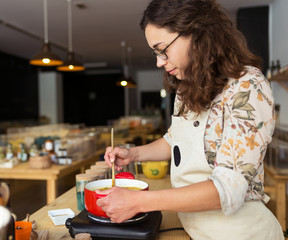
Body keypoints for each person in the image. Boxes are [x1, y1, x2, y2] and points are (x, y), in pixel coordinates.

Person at [96, 0, 284, 239]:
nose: (159, 62)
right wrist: (134, 154)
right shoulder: (187, 87)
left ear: (197, 34)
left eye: (162, 49)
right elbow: (177, 139)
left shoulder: (247, 87)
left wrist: (140, 202)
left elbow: (227, 190)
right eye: (155, 53)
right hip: (193, 228)